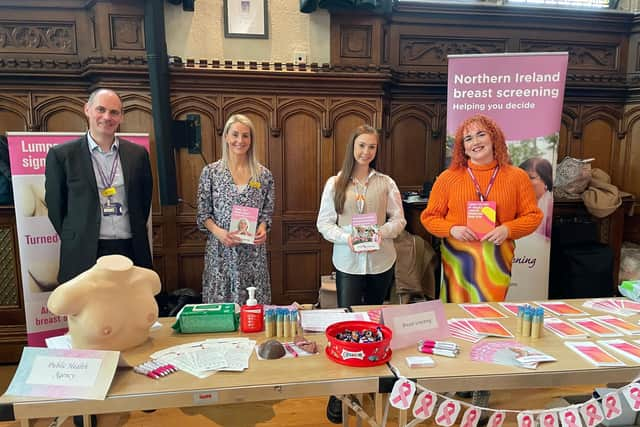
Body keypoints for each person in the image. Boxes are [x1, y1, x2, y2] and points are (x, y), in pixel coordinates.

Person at [420, 114, 542, 412]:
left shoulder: (516, 177)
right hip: (457, 261)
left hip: (495, 261)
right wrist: (451, 229)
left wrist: (508, 229)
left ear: (494, 138)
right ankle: (459, 375)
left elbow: (532, 216)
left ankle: (482, 386)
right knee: (456, 319)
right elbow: (429, 217)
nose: (475, 142)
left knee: (488, 321)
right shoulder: (448, 178)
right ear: (462, 147)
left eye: (480, 135)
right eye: (468, 138)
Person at [316, 124, 406, 424]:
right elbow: (324, 224)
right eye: (361, 146)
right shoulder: (335, 183)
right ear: (352, 148)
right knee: (347, 322)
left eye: (371, 147)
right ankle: (340, 392)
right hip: (349, 264)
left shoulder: (386, 182)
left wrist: (381, 232)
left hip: (381, 262)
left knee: (375, 323)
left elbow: (399, 220)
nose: (366, 152)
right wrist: (347, 238)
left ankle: (371, 381)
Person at [45, 88, 153, 284]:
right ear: (87, 109)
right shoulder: (62, 155)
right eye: (100, 110)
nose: (107, 117)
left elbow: (144, 202)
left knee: (129, 309)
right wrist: (80, 233)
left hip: (129, 247)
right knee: (87, 313)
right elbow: (55, 207)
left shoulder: (137, 154)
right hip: (84, 250)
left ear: (121, 116)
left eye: (114, 112)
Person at [197, 114, 274, 305]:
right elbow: (203, 213)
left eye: (246, 136)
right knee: (221, 311)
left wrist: (263, 228)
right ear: (226, 137)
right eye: (235, 135)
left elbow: (267, 211)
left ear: (251, 140)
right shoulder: (211, 172)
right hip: (222, 252)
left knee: (254, 308)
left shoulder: (263, 175)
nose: (240, 140)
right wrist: (219, 232)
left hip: (253, 254)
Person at [519, 157, 554, 239]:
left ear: (546, 180)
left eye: (530, 177)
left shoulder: (550, 208)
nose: (523, 182)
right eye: (520, 177)